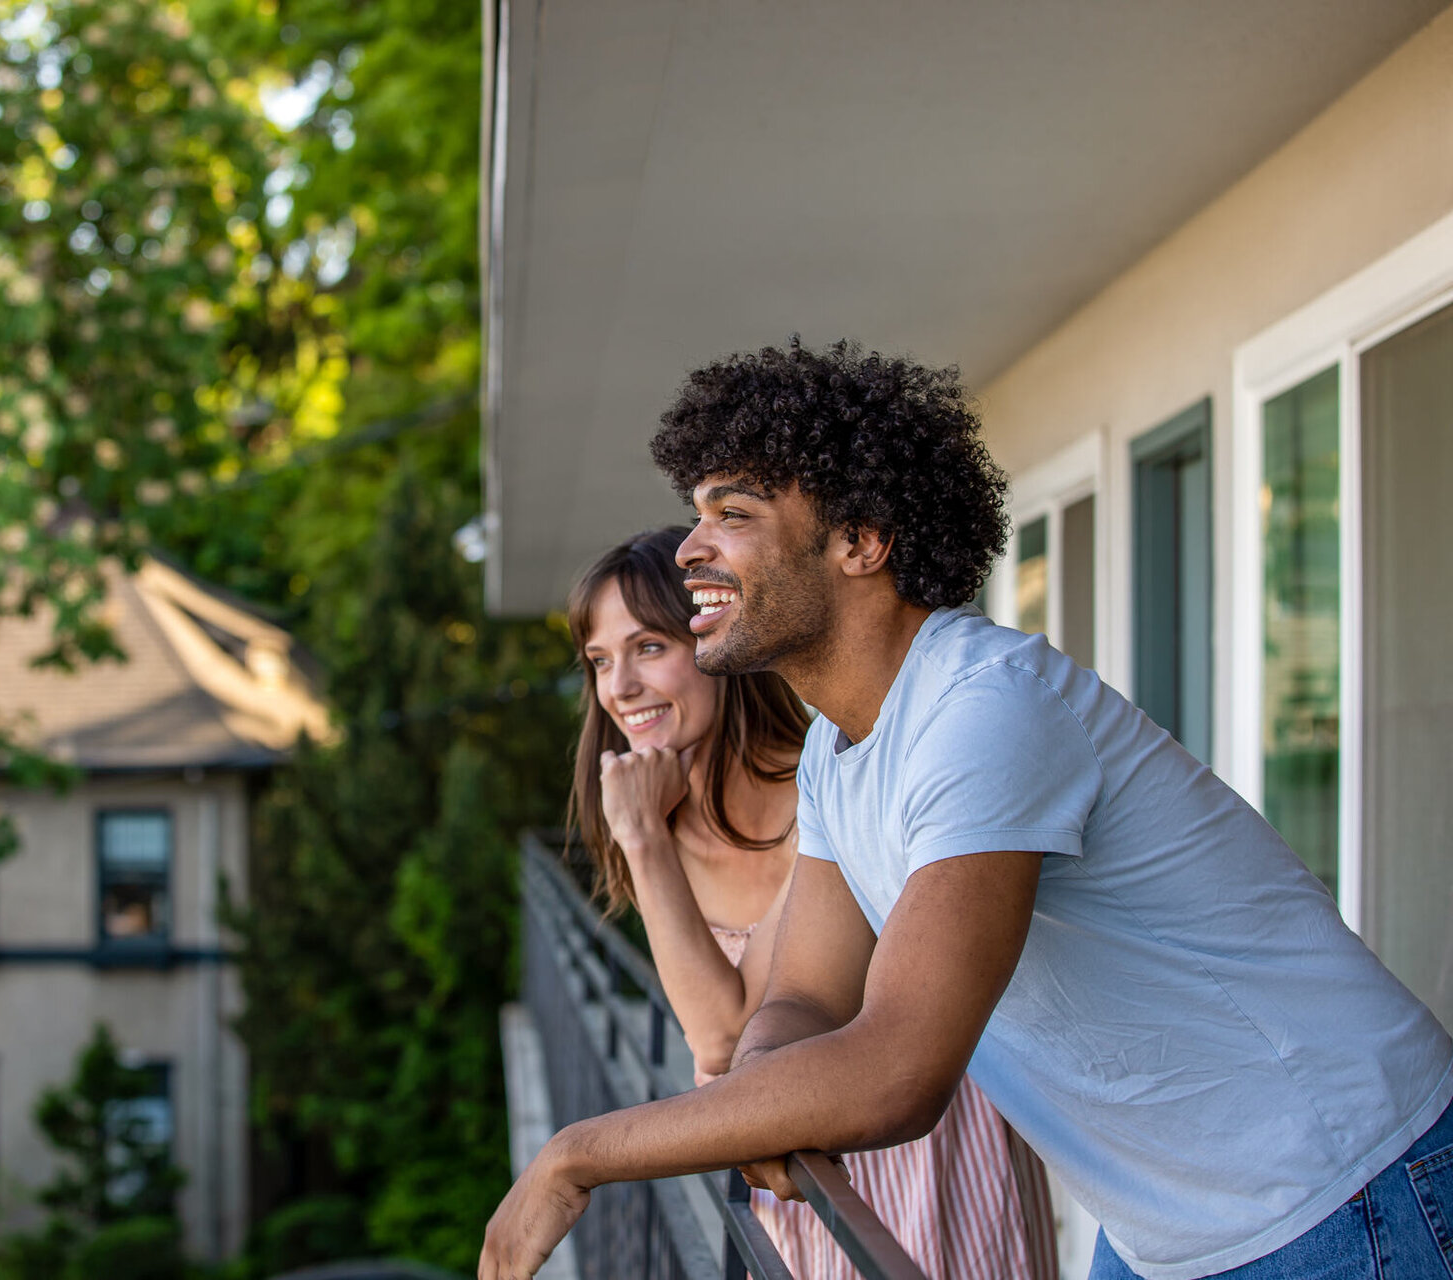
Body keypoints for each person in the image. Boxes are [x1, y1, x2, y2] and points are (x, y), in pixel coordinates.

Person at [481, 339, 1453, 1280]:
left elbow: (899, 1063)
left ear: (862, 538)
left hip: (1342, 1183)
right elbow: (804, 996)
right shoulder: (837, 744)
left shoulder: (983, 707)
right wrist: (759, 1096)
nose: (691, 549)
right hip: (1172, 1219)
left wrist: (580, 1154)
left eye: (730, 514)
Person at [567, 525, 1052, 1280]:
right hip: (787, 1173)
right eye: (600, 660)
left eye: (650, 647)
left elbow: (723, 1042)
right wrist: (646, 839)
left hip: (921, 1154)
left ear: (715, 634)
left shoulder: (825, 781)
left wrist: (643, 843)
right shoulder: (660, 812)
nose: (620, 686)